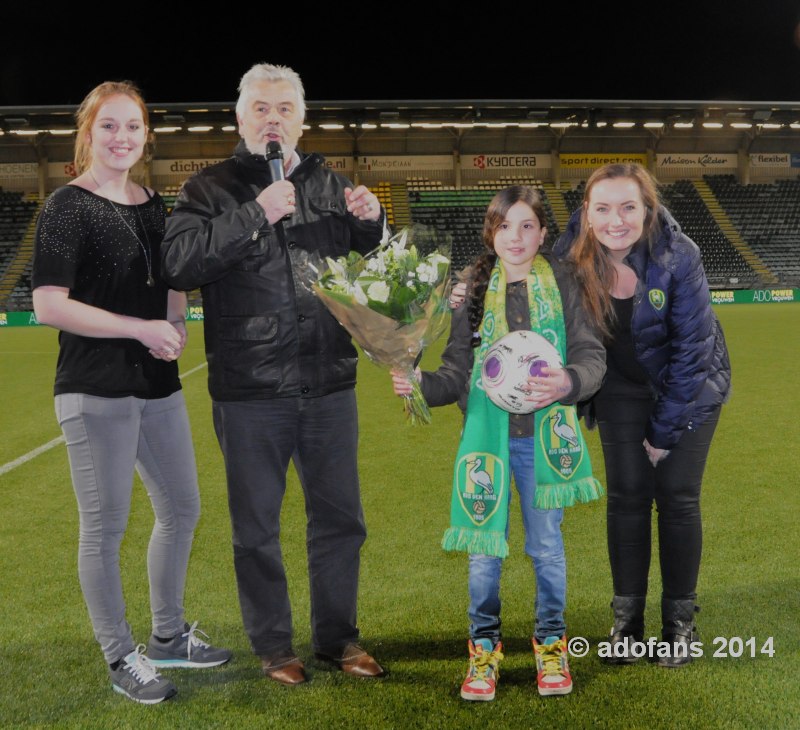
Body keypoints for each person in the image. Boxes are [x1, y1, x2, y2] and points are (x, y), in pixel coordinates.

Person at [160, 63, 386, 685]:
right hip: (250, 389)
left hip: (330, 381)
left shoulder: (332, 183)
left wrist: (372, 224)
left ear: (302, 119)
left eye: (285, 109)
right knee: (256, 529)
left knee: (341, 522)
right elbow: (178, 263)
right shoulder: (208, 189)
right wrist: (256, 212)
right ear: (239, 118)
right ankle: (273, 646)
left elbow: (369, 272)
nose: (273, 119)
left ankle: (339, 639)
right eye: (261, 108)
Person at [31, 81, 231, 705]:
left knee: (183, 508)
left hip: (156, 386)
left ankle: (169, 635)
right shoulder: (67, 206)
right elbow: (47, 305)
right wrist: (137, 328)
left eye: (133, 128)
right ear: (87, 132)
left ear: (147, 136)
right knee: (105, 527)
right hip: (95, 390)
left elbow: (171, 277)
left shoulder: (152, 202)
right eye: (109, 126)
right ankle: (121, 655)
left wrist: (173, 320)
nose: (122, 138)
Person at [392, 186, 605, 699]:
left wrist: (567, 382)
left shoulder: (566, 282)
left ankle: (550, 643)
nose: (516, 236)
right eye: (505, 225)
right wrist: (419, 382)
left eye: (528, 225)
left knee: (547, 548)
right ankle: (483, 650)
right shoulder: (471, 289)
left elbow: (591, 356)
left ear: (543, 233)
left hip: (543, 444)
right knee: (484, 557)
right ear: (491, 231)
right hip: (487, 443)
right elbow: (455, 375)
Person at [553, 163, 731, 668]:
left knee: (675, 496)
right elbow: (519, 291)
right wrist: (468, 294)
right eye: (603, 208)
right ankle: (627, 625)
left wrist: (664, 432)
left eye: (629, 207)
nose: (616, 220)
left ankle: (680, 624)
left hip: (689, 388)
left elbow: (693, 353)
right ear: (586, 213)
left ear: (647, 208)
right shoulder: (566, 258)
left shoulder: (681, 255)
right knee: (627, 497)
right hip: (618, 389)